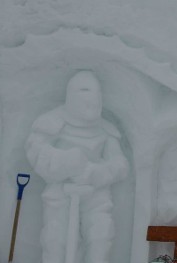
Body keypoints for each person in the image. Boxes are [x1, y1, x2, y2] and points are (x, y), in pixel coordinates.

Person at [26, 71, 129, 263]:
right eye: (86, 98)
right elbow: (36, 152)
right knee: (55, 239)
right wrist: (66, 161)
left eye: (96, 98)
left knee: (101, 234)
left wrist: (97, 173)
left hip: (96, 194)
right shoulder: (52, 122)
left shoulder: (105, 129)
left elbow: (120, 164)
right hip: (60, 193)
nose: (93, 103)